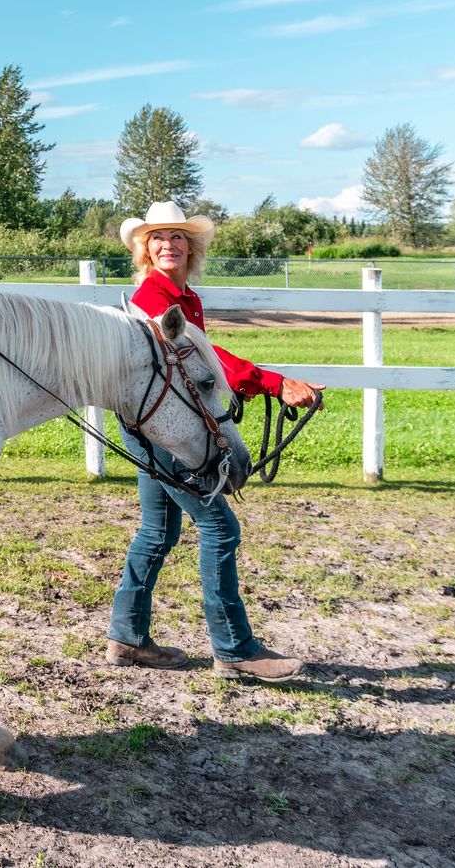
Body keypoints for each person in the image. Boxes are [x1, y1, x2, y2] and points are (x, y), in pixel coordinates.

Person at [105, 201, 323, 681]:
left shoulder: (184, 299)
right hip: (166, 428)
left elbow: (200, 365)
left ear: (191, 246)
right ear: (145, 248)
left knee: (159, 530)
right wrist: (269, 381)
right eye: (158, 237)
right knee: (220, 528)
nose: (168, 245)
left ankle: (128, 636)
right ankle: (234, 648)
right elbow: (206, 358)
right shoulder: (152, 300)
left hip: (151, 424)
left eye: (177, 237)